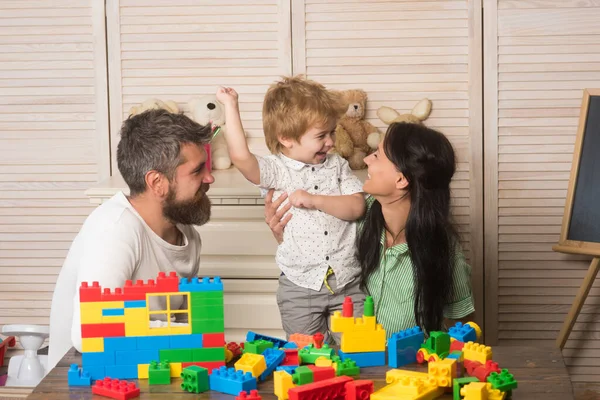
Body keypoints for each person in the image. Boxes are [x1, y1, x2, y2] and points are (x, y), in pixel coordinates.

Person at [265, 122, 475, 337]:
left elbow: (462, 328)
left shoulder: (444, 250)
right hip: (356, 364)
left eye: (376, 155)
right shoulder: (352, 215)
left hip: (412, 367)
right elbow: (316, 253)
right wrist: (281, 235)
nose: (366, 159)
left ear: (400, 179)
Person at [48, 109, 215, 369]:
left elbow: (181, 323)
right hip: (88, 376)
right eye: (197, 171)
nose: (209, 178)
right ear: (157, 182)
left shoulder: (186, 233)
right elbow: (90, 334)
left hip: (148, 366)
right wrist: (198, 337)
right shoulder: (114, 230)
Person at [215, 76, 366, 343]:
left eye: (332, 132)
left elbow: (356, 206)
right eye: (321, 136)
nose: (331, 142)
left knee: (360, 352)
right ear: (286, 138)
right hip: (300, 286)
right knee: (309, 359)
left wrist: (315, 200)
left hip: (348, 283)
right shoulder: (276, 170)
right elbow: (240, 156)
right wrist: (231, 105)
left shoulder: (338, 166)